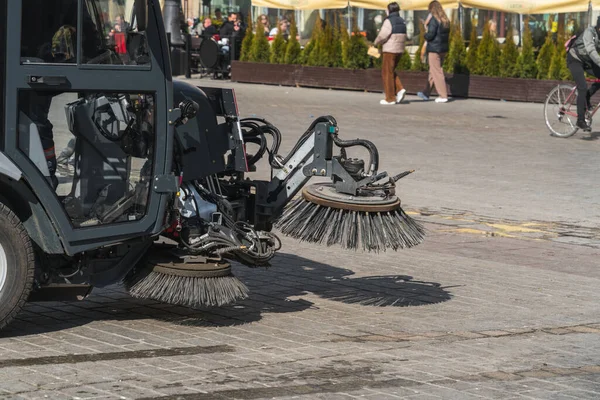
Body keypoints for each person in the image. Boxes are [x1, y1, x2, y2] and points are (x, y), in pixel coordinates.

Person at [566, 16, 600, 131]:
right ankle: (580, 120)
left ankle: (588, 96)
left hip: (586, 60)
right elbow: (591, 50)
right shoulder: (589, 32)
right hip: (574, 59)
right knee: (582, 87)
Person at [373, 2, 407, 105]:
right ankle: (400, 89)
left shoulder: (388, 21)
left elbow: (383, 35)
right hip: (399, 50)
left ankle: (390, 98)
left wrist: (375, 42)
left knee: (386, 73)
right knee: (391, 71)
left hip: (389, 50)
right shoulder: (402, 21)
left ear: (389, 10)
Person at [417, 1, 450, 103]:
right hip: (443, 49)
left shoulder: (434, 20)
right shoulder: (446, 20)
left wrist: (425, 34)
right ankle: (426, 93)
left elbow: (430, 35)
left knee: (437, 72)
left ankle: (443, 95)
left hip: (434, 49)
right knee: (433, 71)